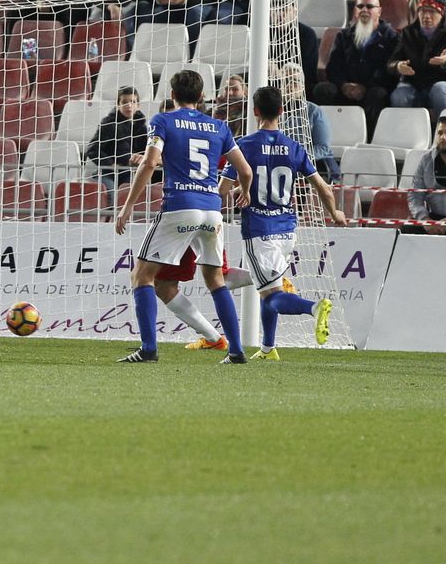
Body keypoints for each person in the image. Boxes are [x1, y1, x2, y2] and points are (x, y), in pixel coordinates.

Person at [113, 68, 253, 364]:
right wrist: (246, 191)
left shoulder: (162, 120)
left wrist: (126, 207)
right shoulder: (220, 127)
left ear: (172, 95)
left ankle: (149, 349)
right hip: (212, 210)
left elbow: (150, 162)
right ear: (202, 97)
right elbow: (245, 170)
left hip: (179, 206)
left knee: (142, 275)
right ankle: (236, 350)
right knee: (215, 280)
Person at [220, 84, 347, 360]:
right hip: (288, 229)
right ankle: (268, 348)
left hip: (258, 229)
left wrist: (225, 205)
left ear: (255, 112)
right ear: (281, 111)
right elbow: (323, 188)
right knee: (270, 287)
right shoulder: (294, 147)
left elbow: (222, 190)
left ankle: (314, 307)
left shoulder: (243, 146)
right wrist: (335, 213)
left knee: (271, 294)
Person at [389, 0, 446, 117]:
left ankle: (444, 131)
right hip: (415, 83)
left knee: (440, 91)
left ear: (441, 13)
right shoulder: (408, 32)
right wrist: (398, 66)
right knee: (399, 96)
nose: (426, 16)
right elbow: (392, 62)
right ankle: (407, 133)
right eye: (422, 11)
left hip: (445, 82)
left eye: (432, 12)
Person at [407, 114, 446, 228]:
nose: (443, 137)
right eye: (440, 133)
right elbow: (414, 194)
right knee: (407, 228)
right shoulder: (426, 160)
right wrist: (425, 220)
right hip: (432, 218)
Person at [86, 85, 148, 186]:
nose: (129, 105)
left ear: (138, 105)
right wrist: (111, 164)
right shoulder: (109, 123)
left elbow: (146, 151)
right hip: (108, 174)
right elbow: (92, 149)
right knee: (112, 196)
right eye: (124, 102)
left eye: (133, 101)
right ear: (118, 105)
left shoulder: (142, 126)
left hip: (131, 175)